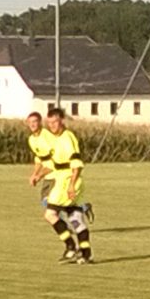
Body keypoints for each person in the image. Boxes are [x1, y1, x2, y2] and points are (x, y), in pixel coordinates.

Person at [35, 108, 94, 264]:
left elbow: (77, 165)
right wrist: (39, 174)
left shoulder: (68, 138)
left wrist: (72, 186)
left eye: (55, 122)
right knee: (75, 218)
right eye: (49, 123)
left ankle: (71, 247)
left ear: (61, 120)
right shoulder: (53, 139)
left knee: (50, 214)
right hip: (62, 179)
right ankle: (86, 253)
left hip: (69, 180)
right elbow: (54, 165)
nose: (52, 125)